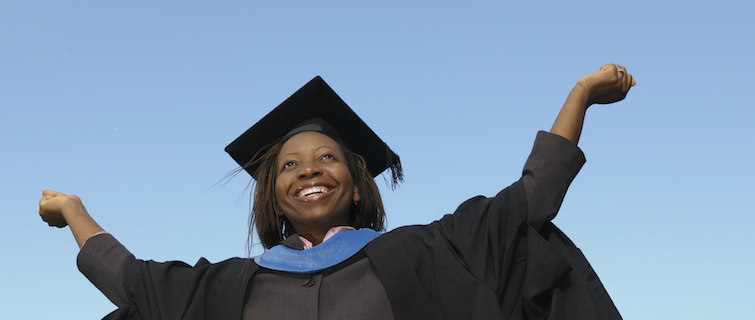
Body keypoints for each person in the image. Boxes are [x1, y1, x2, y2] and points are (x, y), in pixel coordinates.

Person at [39, 64, 635, 320]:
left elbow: (530, 201)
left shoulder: (424, 255)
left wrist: (580, 93)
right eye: (290, 166)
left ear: (356, 185)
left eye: (327, 158)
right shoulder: (227, 290)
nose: (309, 170)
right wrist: (74, 211)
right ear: (273, 198)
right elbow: (131, 279)